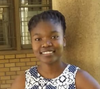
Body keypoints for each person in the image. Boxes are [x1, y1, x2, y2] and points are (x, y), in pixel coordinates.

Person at [11, 10, 100, 89]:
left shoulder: (78, 78)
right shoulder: (24, 81)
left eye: (54, 37)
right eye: (38, 39)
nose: (46, 44)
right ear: (32, 43)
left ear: (64, 41)